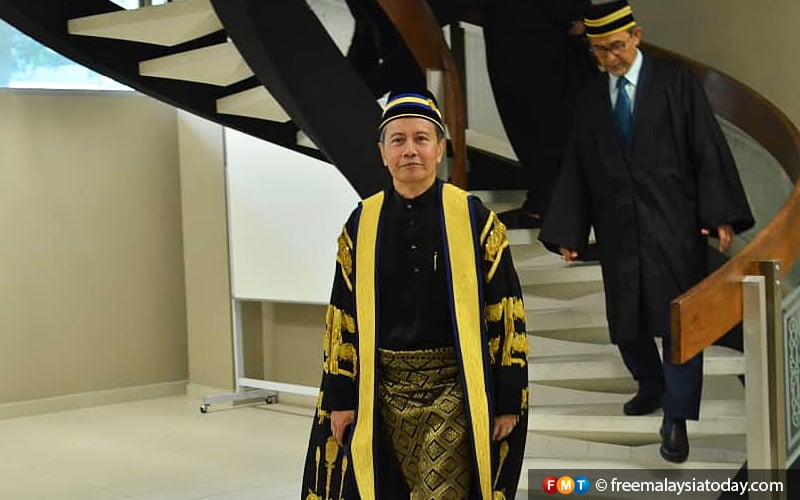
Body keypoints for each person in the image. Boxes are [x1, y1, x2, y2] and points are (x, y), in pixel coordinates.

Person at [538, 0, 754, 464]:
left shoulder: (676, 83)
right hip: (617, 227)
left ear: (635, 36)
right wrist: (569, 231)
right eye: (599, 51)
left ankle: (676, 418)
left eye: (616, 46)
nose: (609, 58)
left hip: (673, 224)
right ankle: (649, 383)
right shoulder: (590, 97)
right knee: (626, 319)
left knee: (681, 323)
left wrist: (720, 214)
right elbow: (578, 165)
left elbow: (706, 146)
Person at [301, 91, 529, 499]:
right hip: (380, 389)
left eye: (421, 139)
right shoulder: (361, 223)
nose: (410, 150)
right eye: (398, 140)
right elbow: (341, 316)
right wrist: (340, 397)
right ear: (382, 153)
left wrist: (508, 398)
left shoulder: (475, 219)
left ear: (439, 149)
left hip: (455, 388)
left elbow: (507, 311)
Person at [487, 0, 599, 229]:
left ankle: (550, 203)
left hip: (539, 35)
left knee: (544, 121)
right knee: (534, 120)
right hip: (524, 30)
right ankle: (548, 201)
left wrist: (576, 14)